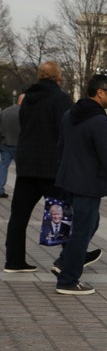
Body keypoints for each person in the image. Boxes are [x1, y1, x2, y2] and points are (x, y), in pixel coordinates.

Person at [52, 73, 107, 295]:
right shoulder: (100, 121)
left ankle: (63, 263)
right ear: (100, 92)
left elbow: (60, 147)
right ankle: (67, 280)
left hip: (67, 181)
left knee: (89, 224)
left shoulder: (69, 115)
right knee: (81, 232)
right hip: (87, 185)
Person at [3, 62, 73, 273]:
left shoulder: (28, 99)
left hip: (26, 165)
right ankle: (68, 258)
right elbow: (65, 129)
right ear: (58, 78)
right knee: (61, 211)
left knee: (19, 216)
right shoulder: (60, 99)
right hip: (51, 165)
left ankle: (14, 261)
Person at [0, 93, 24, 198]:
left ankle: (0, 189)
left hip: (5, 142)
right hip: (19, 144)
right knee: (21, 170)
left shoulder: (5, 111)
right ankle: (21, 191)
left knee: (3, 166)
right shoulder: (24, 112)